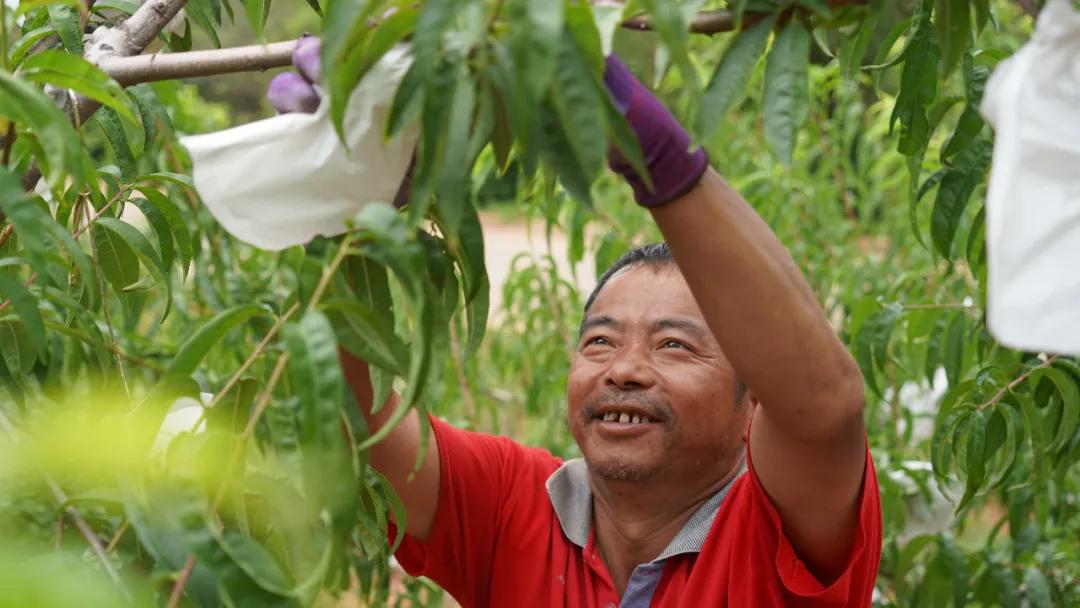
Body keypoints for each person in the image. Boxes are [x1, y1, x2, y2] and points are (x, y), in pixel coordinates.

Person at [269, 37, 881, 607]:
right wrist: (340, 227)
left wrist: (658, 158)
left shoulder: (777, 530)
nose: (625, 369)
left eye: (674, 345)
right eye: (599, 341)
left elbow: (825, 406)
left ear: (755, 407)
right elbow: (352, 410)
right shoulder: (514, 506)